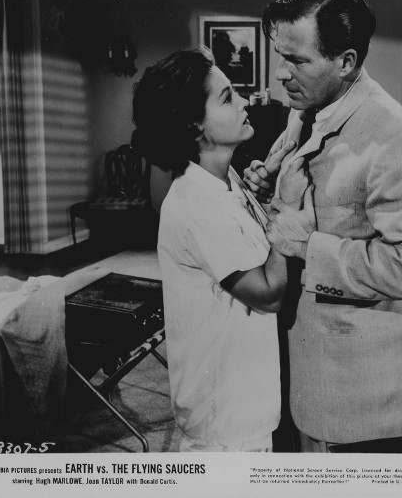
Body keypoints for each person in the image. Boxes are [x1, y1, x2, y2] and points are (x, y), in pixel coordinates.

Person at [244, 0, 402, 452]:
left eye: (297, 60)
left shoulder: (398, 138)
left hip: (359, 394)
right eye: (279, 55)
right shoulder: (305, 109)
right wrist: (271, 188)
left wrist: (308, 247)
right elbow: (314, 204)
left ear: (346, 61)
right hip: (300, 364)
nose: (280, 73)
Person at [131, 47, 306, 452]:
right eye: (227, 97)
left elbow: (250, 243)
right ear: (194, 125)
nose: (244, 102)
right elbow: (269, 294)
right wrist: (287, 206)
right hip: (224, 422)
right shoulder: (194, 205)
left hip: (247, 398)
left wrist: (264, 196)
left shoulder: (225, 179)